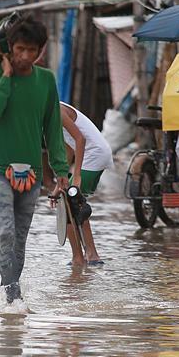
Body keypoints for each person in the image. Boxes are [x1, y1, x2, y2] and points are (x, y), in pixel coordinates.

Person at [0, 17, 70, 304]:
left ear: (40, 51)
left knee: (20, 238)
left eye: (32, 51)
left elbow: (52, 128)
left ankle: (10, 295)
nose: (25, 56)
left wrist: (61, 170)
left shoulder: (46, 80)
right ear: (10, 47)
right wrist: (5, 77)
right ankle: (13, 296)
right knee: (5, 231)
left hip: (31, 171)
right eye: (20, 49)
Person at [59, 102, 114, 267]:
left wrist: (76, 177)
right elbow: (69, 146)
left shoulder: (56, 110)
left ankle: (82, 257)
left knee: (70, 204)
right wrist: (61, 179)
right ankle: (90, 255)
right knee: (74, 203)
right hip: (92, 154)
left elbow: (80, 139)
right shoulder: (47, 111)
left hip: (94, 154)